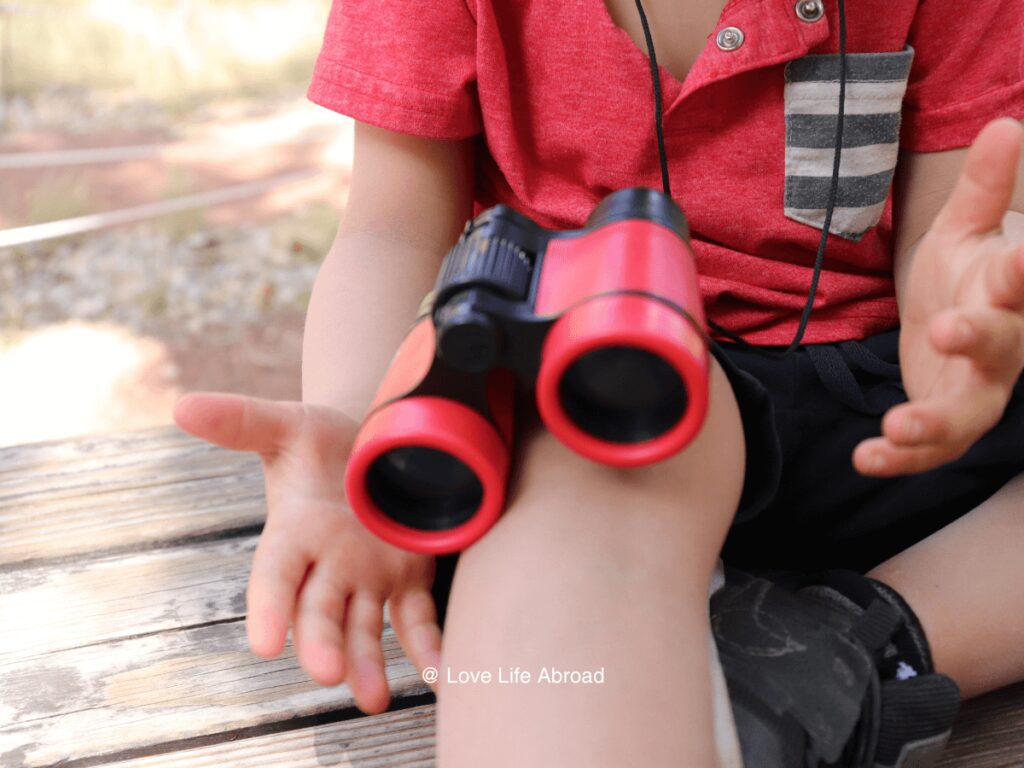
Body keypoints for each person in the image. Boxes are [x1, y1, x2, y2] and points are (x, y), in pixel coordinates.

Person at [172, 0, 1024, 764]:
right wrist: (360, 423)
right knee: (577, 481)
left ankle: (840, 654)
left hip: (908, 397)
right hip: (621, 386)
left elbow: (947, 235)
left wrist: (962, 332)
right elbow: (390, 227)